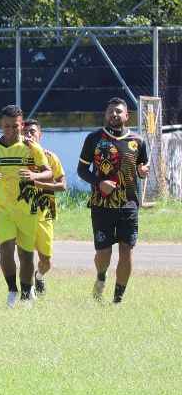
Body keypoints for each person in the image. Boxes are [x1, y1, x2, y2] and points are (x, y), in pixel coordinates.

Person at [0, 105, 53, 308]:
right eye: (6, 126)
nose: (11, 130)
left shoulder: (31, 147)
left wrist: (35, 175)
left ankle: (26, 293)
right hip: (2, 208)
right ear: (1, 125)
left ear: (22, 125)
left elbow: (48, 172)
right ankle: (12, 290)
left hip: (27, 208)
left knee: (26, 254)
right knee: (6, 250)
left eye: (15, 126)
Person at [77, 97, 149, 304]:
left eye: (119, 111)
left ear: (127, 116)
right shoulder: (94, 139)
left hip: (129, 205)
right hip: (101, 205)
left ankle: (117, 299)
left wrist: (142, 172)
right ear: (105, 114)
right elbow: (82, 170)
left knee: (126, 251)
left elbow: (141, 169)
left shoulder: (138, 141)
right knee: (104, 254)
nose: (114, 115)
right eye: (111, 111)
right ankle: (101, 276)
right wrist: (99, 182)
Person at [21, 119, 66, 296]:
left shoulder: (50, 157)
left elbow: (62, 185)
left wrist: (37, 182)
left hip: (44, 213)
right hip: (22, 213)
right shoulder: (16, 156)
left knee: (46, 260)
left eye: (32, 131)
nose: (29, 134)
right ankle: (28, 289)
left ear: (40, 134)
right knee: (26, 256)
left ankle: (39, 276)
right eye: (25, 131)